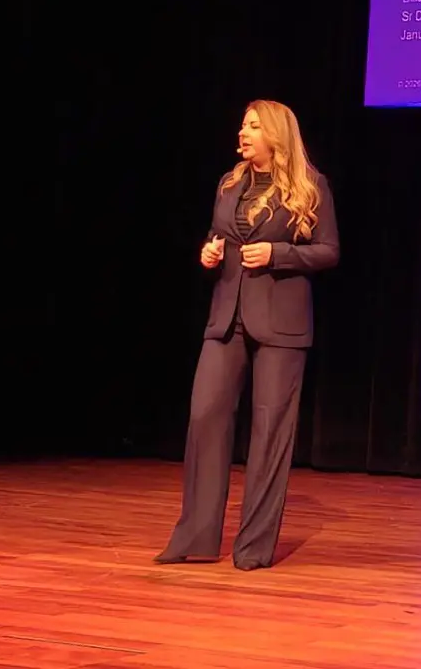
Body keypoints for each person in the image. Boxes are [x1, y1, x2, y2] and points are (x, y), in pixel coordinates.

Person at [156, 100, 340, 570]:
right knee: (205, 417)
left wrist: (279, 253)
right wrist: (209, 252)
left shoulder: (309, 185)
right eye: (243, 125)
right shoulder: (230, 182)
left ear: (275, 135)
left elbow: (328, 251)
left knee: (269, 431)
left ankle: (254, 547)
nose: (243, 132)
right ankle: (196, 538)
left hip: (280, 322)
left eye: (253, 126)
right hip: (226, 316)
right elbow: (217, 234)